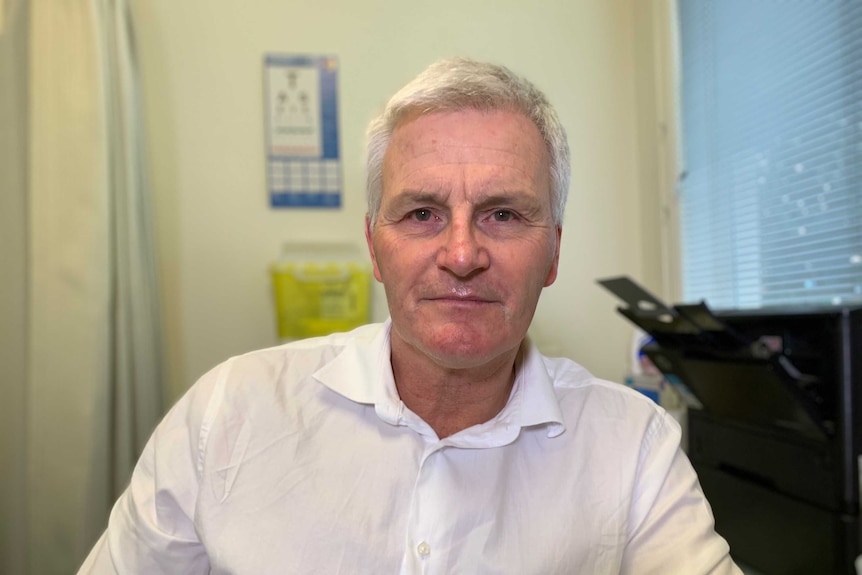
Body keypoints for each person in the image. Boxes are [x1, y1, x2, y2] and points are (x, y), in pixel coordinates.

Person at [79, 57, 742, 574]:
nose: (461, 253)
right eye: (422, 212)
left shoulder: (633, 449)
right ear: (374, 245)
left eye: (503, 213)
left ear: (553, 252)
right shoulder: (225, 417)